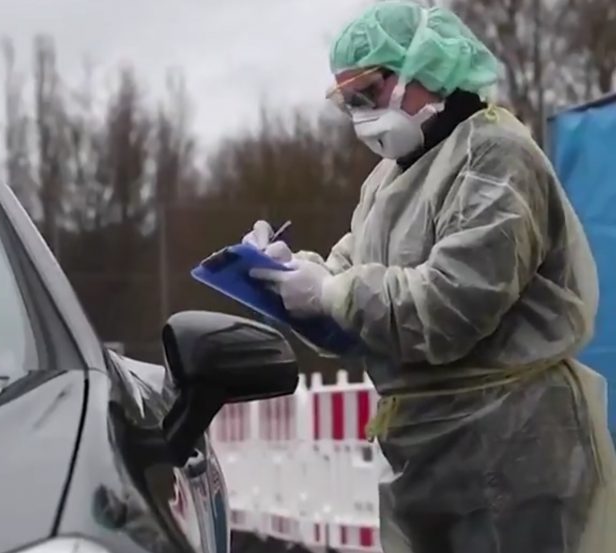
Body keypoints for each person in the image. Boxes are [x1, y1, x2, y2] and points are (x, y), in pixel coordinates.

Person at [243, 2, 616, 552]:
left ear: (427, 67)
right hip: (429, 455)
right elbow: (356, 282)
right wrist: (288, 278)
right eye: (349, 101)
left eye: (369, 93)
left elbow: (452, 304)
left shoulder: (495, 156)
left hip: (514, 447)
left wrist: (329, 292)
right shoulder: (388, 182)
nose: (360, 115)